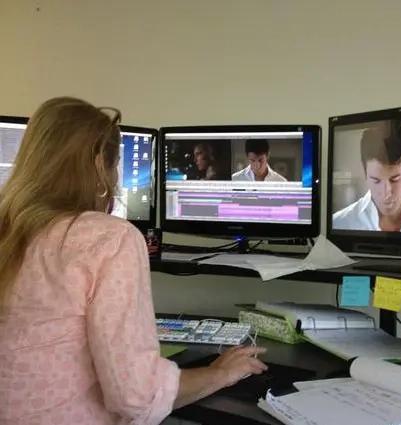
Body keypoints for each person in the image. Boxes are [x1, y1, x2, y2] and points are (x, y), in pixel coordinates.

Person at [0, 97, 267, 425]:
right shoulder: (109, 238)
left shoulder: (8, 231)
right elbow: (136, 396)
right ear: (99, 163)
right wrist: (220, 373)